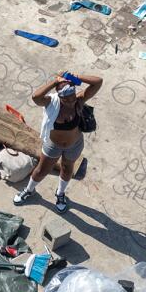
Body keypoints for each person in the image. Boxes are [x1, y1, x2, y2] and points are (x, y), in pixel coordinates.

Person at [13, 71, 102, 213]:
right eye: (65, 98)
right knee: (42, 170)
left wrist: (76, 77)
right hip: (53, 145)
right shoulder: (51, 103)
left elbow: (98, 81)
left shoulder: (79, 100)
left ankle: (60, 194)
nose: (70, 100)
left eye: (72, 96)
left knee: (67, 169)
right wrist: (55, 82)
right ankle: (29, 190)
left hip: (75, 145)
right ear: (59, 95)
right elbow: (36, 97)